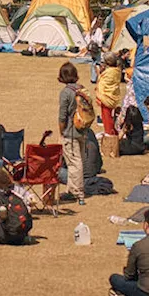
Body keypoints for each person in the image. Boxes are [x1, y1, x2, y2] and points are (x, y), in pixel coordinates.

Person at [56, 62, 88, 205]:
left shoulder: (66, 93)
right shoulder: (82, 89)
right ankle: (73, 189)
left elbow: (62, 116)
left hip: (71, 132)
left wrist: (61, 131)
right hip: (82, 129)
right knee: (77, 160)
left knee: (74, 163)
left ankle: (76, 192)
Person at [96, 55, 123, 138]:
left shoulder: (109, 72)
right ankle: (111, 131)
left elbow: (102, 81)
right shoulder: (117, 71)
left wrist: (99, 72)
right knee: (110, 115)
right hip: (113, 94)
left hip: (106, 96)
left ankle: (109, 132)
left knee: (106, 116)